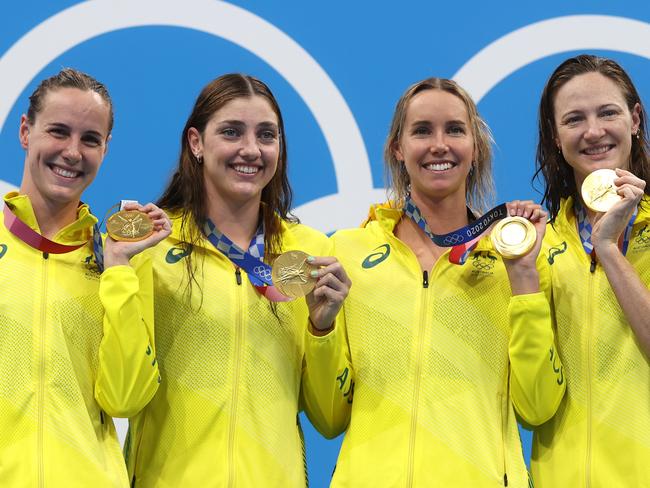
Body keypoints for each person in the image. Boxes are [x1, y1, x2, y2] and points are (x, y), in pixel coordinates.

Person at [304, 77, 565, 486]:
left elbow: (538, 407)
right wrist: (321, 329)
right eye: (422, 130)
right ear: (398, 148)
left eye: (455, 130)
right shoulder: (349, 252)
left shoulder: (515, 254)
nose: (439, 144)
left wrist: (525, 278)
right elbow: (329, 417)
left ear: (475, 149)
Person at [124, 73, 350, 487]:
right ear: (196, 143)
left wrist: (323, 328)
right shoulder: (152, 245)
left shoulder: (308, 252)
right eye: (231, 132)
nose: (251, 149)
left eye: (267, 135)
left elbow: (331, 417)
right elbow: (122, 395)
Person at [0, 68, 171, 486]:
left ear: (105, 148)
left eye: (90, 139)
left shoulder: (118, 258)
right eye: (58, 132)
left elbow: (125, 398)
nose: (73, 152)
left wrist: (117, 271)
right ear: (26, 131)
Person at [530, 54, 650, 487]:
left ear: (635, 119)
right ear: (555, 136)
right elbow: (531, 401)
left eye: (608, 112)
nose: (593, 131)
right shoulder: (537, 245)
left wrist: (608, 250)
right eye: (574, 119)